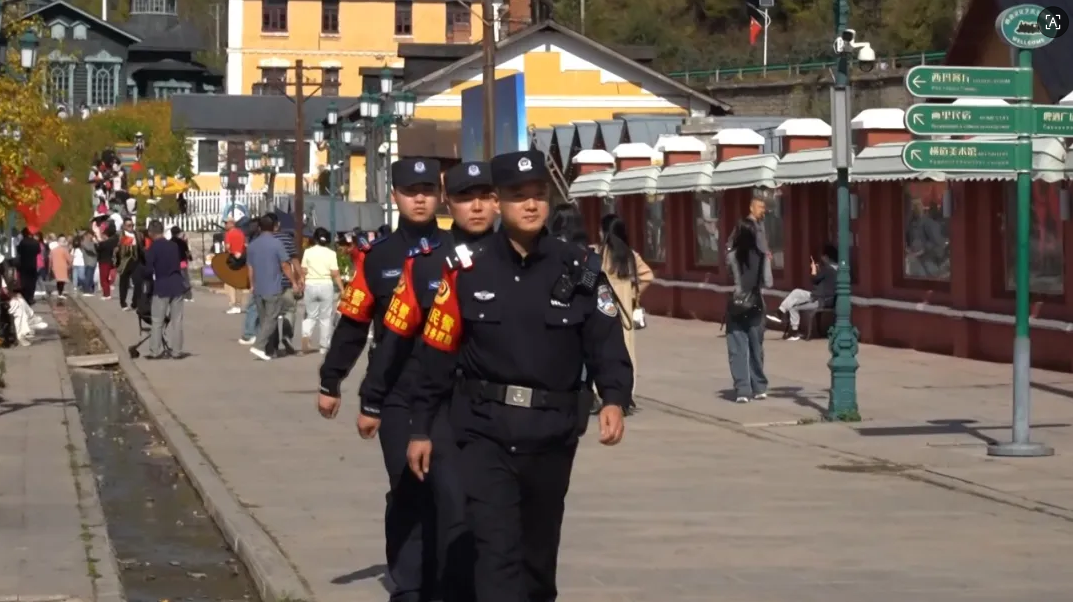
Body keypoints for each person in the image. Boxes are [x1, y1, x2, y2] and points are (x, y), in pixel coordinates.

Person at [404, 150, 632, 602]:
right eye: (517, 195)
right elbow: (437, 352)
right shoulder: (466, 271)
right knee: (497, 553)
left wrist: (613, 397)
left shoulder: (581, 270)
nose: (530, 205)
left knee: (537, 561)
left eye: (538, 195)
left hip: (552, 434)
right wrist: (421, 427)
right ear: (498, 202)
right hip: (484, 431)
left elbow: (605, 340)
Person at [347, 160, 498, 602]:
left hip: (490, 405)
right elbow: (383, 335)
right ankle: (414, 585)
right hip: (419, 398)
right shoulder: (422, 266)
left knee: (483, 506)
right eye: (466, 197)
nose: (477, 206)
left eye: (485, 196)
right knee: (421, 494)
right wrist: (367, 396)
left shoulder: (520, 261)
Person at [317, 157, 448, 602]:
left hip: (451, 392)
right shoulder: (378, 258)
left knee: (450, 490)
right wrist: (331, 380)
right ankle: (408, 584)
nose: (419, 199)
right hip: (397, 393)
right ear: (394, 196)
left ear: (439, 196)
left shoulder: (459, 252)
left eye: (427, 190)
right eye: (410, 191)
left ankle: (444, 577)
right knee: (407, 485)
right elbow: (354, 324)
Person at [594, 213, 653, 395]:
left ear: (604, 232)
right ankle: (627, 391)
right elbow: (648, 276)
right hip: (625, 313)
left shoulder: (597, 254)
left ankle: (602, 391)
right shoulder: (630, 255)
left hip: (601, 311)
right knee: (627, 352)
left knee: (601, 352)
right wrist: (633, 293)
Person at [726, 219, 771, 403]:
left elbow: (730, 275)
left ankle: (742, 390)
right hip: (756, 304)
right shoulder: (762, 256)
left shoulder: (732, 256)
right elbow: (769, 282)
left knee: (737, 349)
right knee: (756, 347)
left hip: (737, 304)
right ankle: (759, 387)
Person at [246, 215, 295, 361]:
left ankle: (268, 350)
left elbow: (250, 267)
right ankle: (259, 346)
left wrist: (252, 284)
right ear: (274, 226)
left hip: (258, 287)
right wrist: (293, 281)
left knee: (264, 321)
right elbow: (285, 265)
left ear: (259, 227)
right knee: (271, 319)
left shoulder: (253, 244)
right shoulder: (277, 244)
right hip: (273, 287)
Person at [768, 244, 837, 340]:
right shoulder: (836, 269)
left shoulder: (828, 269)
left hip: (819, 299)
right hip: (821, 298)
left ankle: (791, 327)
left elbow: (814, 280)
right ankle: (781, 314)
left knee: (794, 303)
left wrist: (813, 269)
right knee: (795, 295)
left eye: (822, 257)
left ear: (826, 257)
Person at [143, 220, 186, 360]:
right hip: (177, 284)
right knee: (177, 320)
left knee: (157, 321)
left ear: (151, 233)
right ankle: (177, 351)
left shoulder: (152, 248)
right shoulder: (173, 246)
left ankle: (155, 351)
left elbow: (149, 270)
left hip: (162, 286)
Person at [300, 227, 344, 354]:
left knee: (310, 315)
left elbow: (304, 270)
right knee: (325, 317)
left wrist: (302, 281)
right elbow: (335, 273)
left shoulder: (308, 252)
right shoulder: (331, 253)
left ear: (315, 238)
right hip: (326, 285)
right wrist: (342, 289)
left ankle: (306, 335)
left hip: (310, 284)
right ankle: (324, 346)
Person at [268, 212, 302, 354]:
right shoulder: (287, 239)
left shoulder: (262, 241)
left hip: (269, 283)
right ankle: (287, 335)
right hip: (286, 282)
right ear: (278, 225)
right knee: (290, 310)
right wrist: (300, 278)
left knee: (272, 314)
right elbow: (294, 260)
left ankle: (274, 346)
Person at [115, 218, 144, 310]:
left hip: (136, 260)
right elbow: (117, 249)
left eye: (132, 225)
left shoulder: (138, 235)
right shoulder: (119, 235)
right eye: (129, 225)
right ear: (124, 226)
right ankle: (123, 303)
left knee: (138, 282)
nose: (131, 227)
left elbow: (141, 247)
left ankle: (135, 303)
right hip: (124, 262)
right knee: (124, 283)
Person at [223, 217, 247, 314]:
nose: (225, 225)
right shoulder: (241, 233)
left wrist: (229, 252)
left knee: (228, 283)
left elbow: (228, 247)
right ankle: (238, 304)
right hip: (241, 259)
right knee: (238, 284)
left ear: (231, 223)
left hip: (232, 259)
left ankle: (233, 304)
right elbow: (245, 245)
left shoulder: (228, 234)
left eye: (226, 223)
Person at [16, 228, 41, 305]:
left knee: (24, 282)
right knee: (32, 282)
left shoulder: (22, 242)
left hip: (23, 265)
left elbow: (19, 251)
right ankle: (30, 297)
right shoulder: (36, 242)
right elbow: (38, 251)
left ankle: (25, 297)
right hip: (33, 265)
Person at [96, 223, 118, 300]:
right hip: (107, 261)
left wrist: (98, 243)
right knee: (105, 278)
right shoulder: (112, 241)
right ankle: (106, 293)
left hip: (104, 261)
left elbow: (99, 248)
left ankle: (106, 294)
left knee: (104, 278)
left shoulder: (106, 243)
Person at [171, 226, 194, 301]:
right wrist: (190, 257)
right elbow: (187, 252)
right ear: (178, 233)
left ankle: (178, 295)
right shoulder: (182, 242)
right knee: (185, 279)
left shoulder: (170, 242)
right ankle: (188, 295)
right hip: (182, 262)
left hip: (173, 263)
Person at [81, 231, 98, 296]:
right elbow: (90, 249)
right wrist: (95, 249)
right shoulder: (85, 242)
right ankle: (86, 290)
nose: (92, 236)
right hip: (89, 262)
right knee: (88, 276)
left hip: (93, 262)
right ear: (87, 235)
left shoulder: (92, 242)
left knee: (90, 276)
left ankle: (90, 290)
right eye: (91, 235)